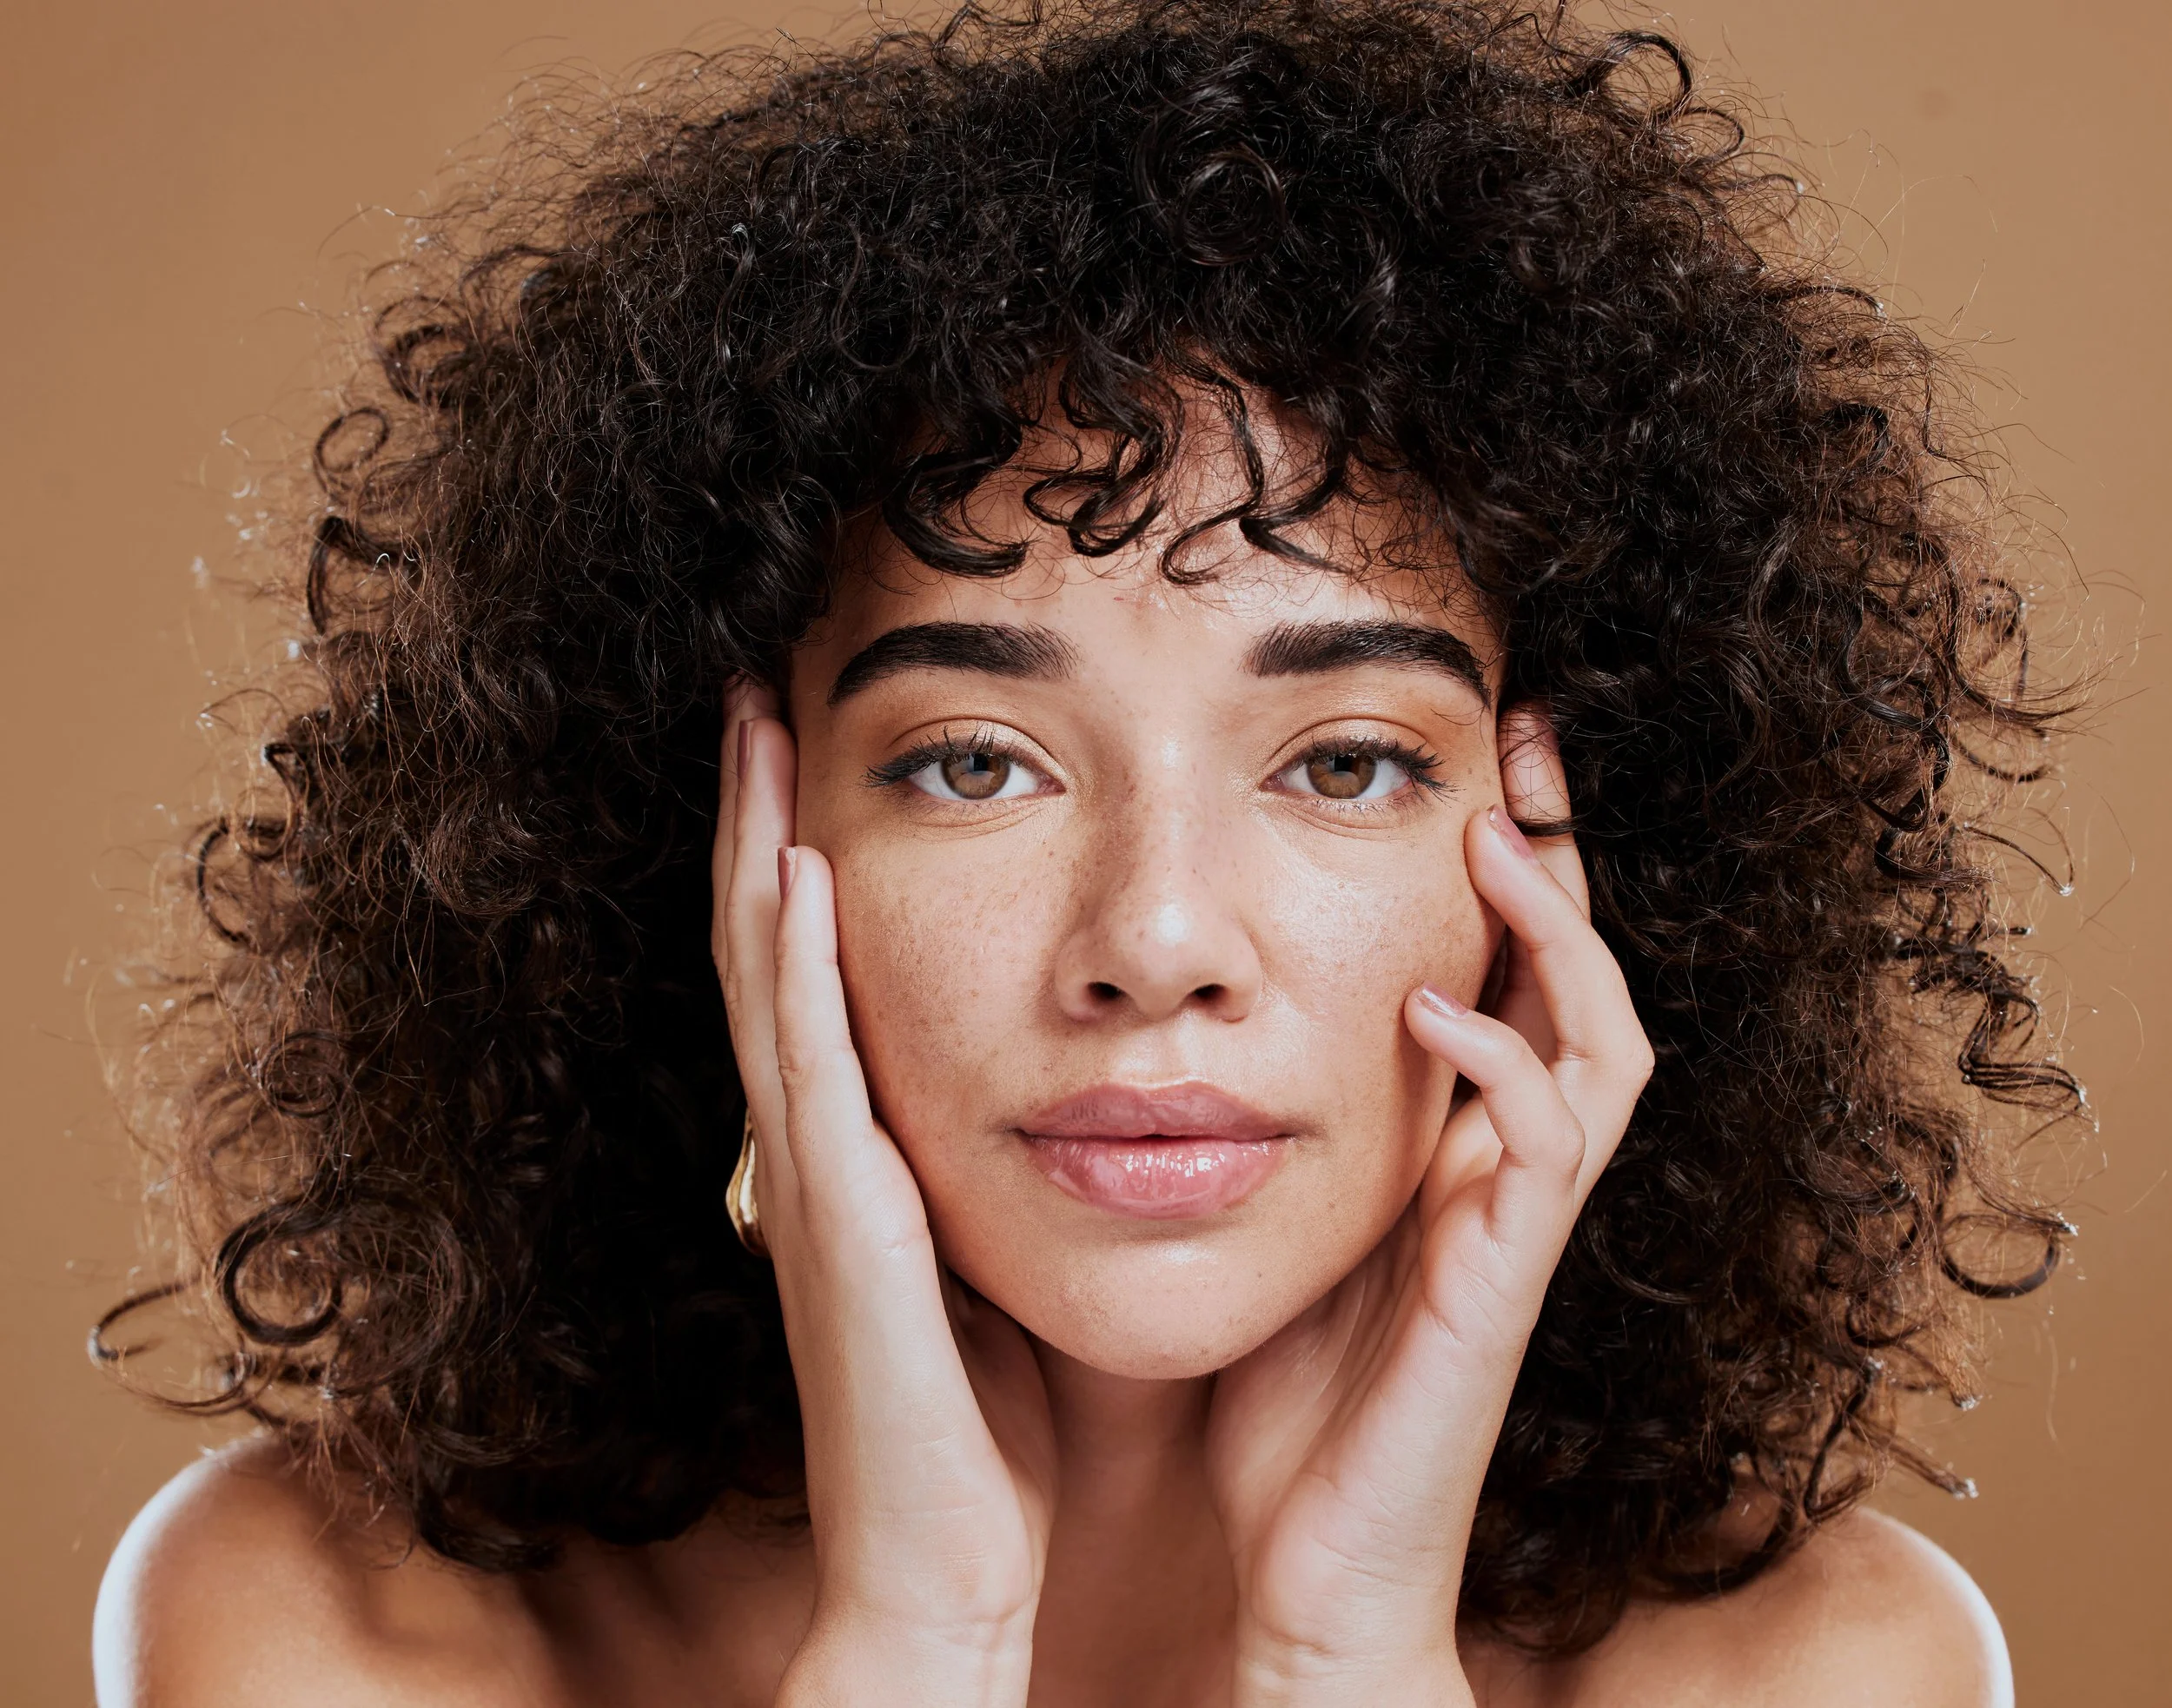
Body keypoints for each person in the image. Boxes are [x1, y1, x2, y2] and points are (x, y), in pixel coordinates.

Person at [90, 1, 2073, 1701]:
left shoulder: (1808, 1662)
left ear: (1568, 853)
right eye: (971, 762)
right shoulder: (330, 1626)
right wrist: (914, 1639)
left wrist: (1347, 1659)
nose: (1154, 938)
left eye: (1349, 763)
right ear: (715, 836)